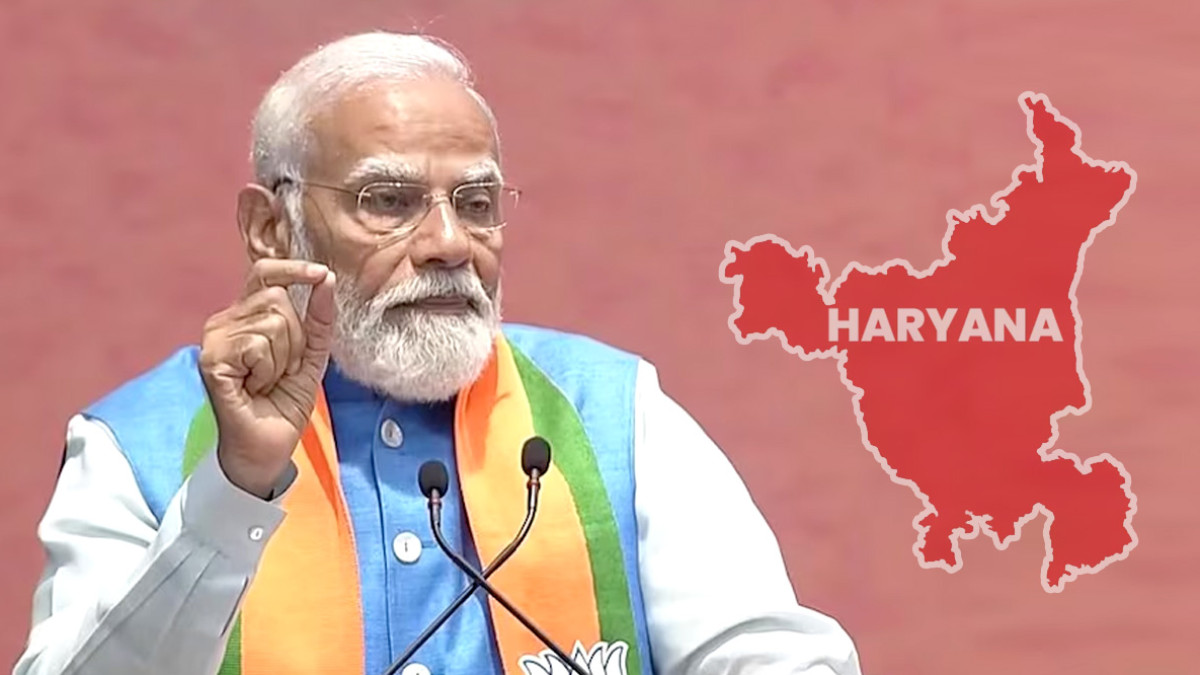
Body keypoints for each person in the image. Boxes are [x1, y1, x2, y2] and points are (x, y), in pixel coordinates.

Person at [12, 32, 862, 675]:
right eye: (389, 200)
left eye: (478, 202)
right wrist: (234, 488)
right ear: (271, 227)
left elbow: (773, 656)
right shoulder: (136, 445)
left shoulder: (616, 414)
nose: (450, 242)